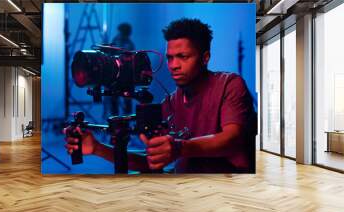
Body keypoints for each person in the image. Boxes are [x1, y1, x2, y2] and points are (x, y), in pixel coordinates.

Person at [64, 18, 256, 173]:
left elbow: (233, 139)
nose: (173, 65)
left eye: (183, 57)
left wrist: (180, 148)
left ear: (205, 58)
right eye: (170, 57)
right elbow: (151, 162)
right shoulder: (171, 102)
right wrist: (98, 148)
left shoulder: (229, 84)